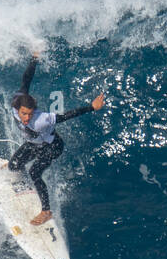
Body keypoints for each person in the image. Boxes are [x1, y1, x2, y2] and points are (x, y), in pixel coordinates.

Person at [8, 52, 105, 225]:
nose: (27, 118)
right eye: (24, 114)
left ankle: (46, 212)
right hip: (34, 143)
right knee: (13, 165)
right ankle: (25, 183)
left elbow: (66, 115)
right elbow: (26, 80)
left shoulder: (41, 119)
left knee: (34, 172)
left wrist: (91, 107)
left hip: (52, 146)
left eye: (30, 114)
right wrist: (34, 59)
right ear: (17, 108)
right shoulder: (16, 101)